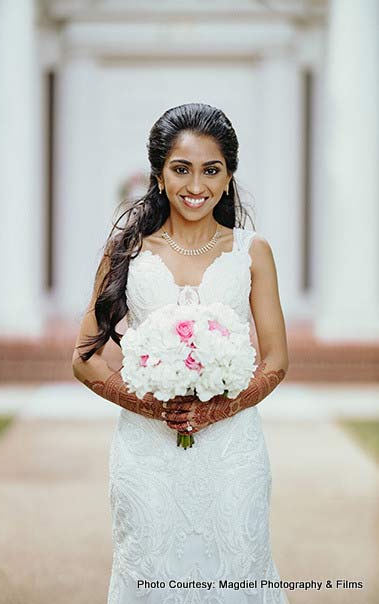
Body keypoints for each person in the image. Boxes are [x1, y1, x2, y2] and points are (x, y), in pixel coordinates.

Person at [72, 103, 290, 603]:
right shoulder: (127, 249)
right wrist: (152, 405)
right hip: (147, 454)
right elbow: (85, 357)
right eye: (181, 169)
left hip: (233, 453)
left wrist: (219, 408)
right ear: (158, 174)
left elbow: (276, 360)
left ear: (230, 176)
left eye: (211, 170)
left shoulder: (252, 252)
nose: (197, 185)